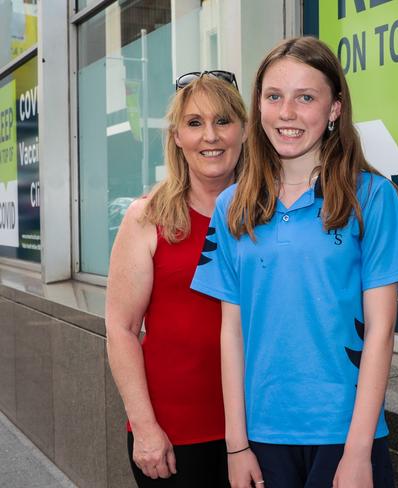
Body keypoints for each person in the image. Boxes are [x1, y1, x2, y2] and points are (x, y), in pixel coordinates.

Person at [191, 37, 398, 488]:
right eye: (274, 96)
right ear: (258, 106)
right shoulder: (231, 206)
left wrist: (358, 455)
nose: (287, 113)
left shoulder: (372, 198)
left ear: (334, 109)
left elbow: (381, 333)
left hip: (346, 436)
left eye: (306, 97)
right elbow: (231, 332)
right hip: (262, 437)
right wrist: (236, 445)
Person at [105, 71, 246, 487]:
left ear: (242, 131)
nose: (211, 136)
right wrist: (145, 428)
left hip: (258, 429)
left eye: (223, 121)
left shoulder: (266, 215)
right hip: (172, 436)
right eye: (195, 123)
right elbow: (121, 327)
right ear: (177, 137)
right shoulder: (147, 217)